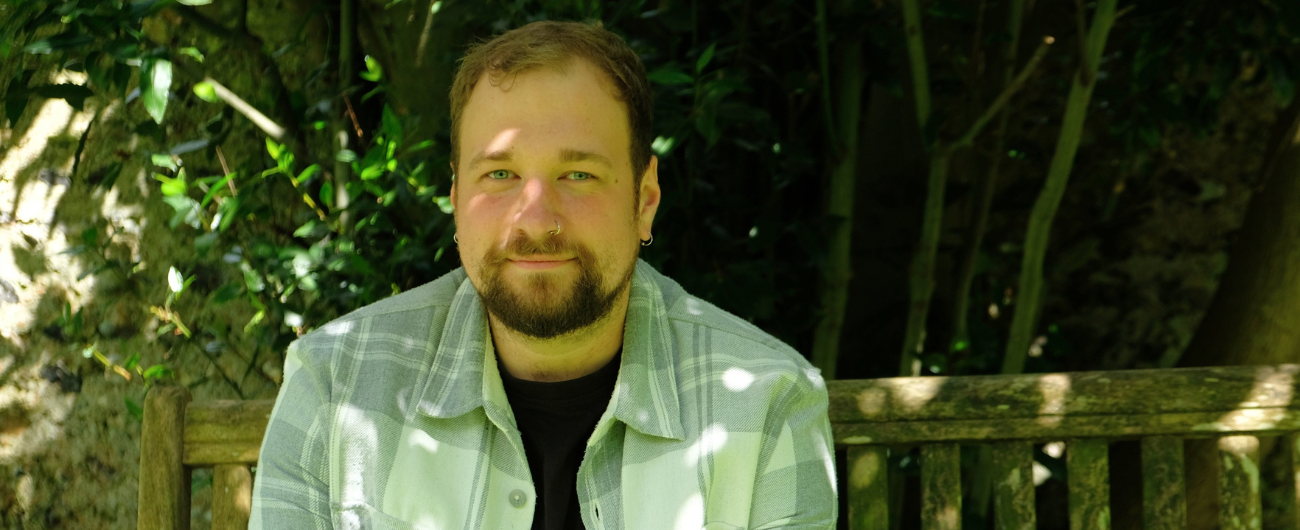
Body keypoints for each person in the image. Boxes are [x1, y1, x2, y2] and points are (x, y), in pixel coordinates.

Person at [249, 19, 837, 530]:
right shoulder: (336, 387)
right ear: (455, 197)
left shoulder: (765, 404)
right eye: (500, 175)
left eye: (578, 174)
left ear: (645, 198)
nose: (535, 219)